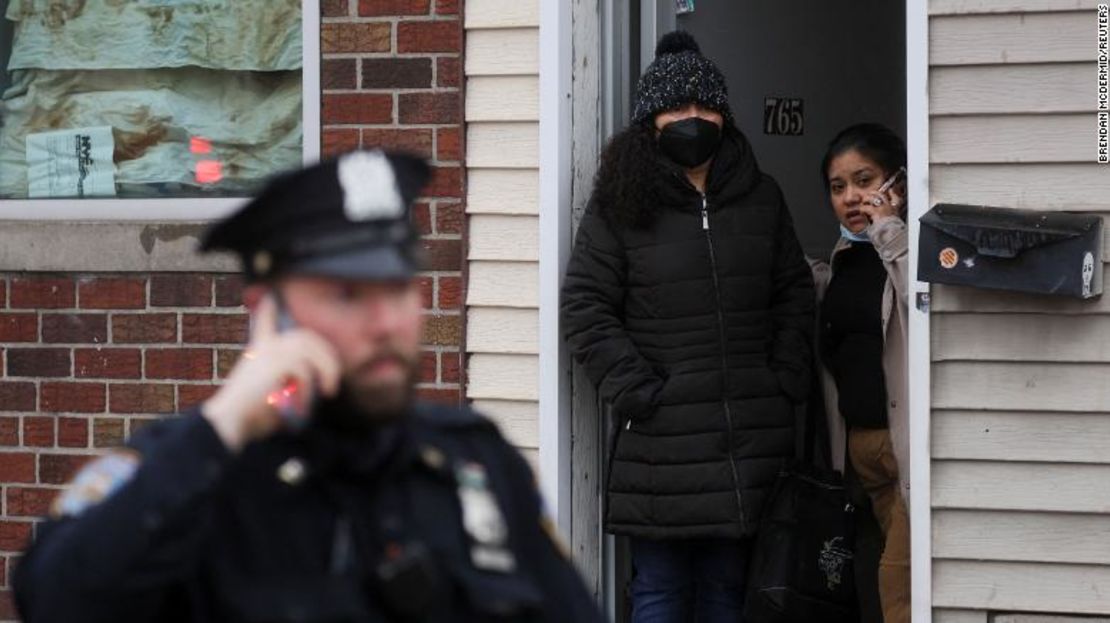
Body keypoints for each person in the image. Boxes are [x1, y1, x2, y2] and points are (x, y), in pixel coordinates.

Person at [14, 150, 606, 623]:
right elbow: (60, 600)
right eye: (346, 295)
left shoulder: (474, 464)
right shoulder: (190, 479)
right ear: (268, 313)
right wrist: (223, 426)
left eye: (399, 289)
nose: (385, 324)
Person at [560, 31, 815, 622]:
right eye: (677, 108)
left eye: (705, 107)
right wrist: (638, 391)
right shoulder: (621, 205)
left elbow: (794, 292)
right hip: (661, 445)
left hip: (748, 439)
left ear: (724, 115)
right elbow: (585, 305)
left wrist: (784, 375)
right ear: (650, 120)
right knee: (660, 592)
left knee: (729, 591)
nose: (692, 119)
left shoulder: (762, 197)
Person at [812, 123, 910, 623]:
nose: (852, 197)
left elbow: (924, 309)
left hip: (904, 451)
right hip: (858, 453)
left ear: (897, 182)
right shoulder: (843, 260)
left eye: (864, 179)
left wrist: (890, 229)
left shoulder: (907, 251)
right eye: (837, 186)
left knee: (899, 588)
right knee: (864, 584)